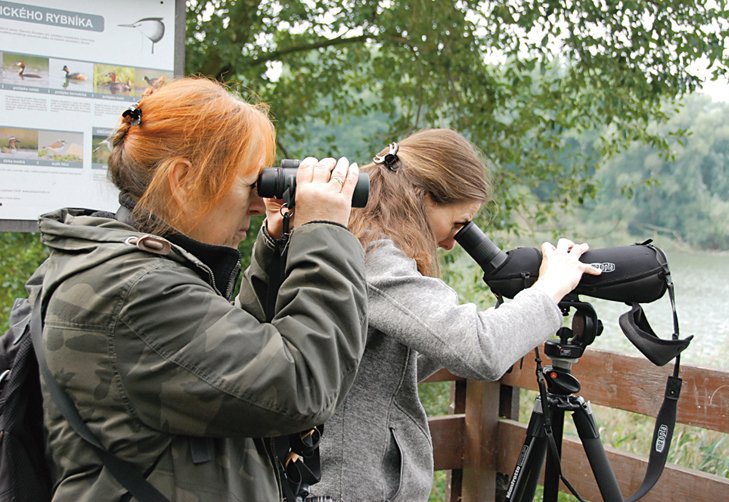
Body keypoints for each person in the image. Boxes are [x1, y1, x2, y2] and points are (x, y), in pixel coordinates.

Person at [29, 77, 368, 501]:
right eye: (250, 185)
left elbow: (224, 364)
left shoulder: (126, 267)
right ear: (183, 179)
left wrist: (276, 248)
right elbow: (301, 384)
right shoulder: (135, 289)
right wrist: (325, 232)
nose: (256, 203)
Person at [312, 128, 602, 501]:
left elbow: (380, 366)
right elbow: (480, 351)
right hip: (346, 487)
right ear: (422, 197)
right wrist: (550, 289)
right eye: (458, 224)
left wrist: (512, 319)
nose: (452, 243)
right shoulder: (374, 256)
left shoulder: (358, 238)